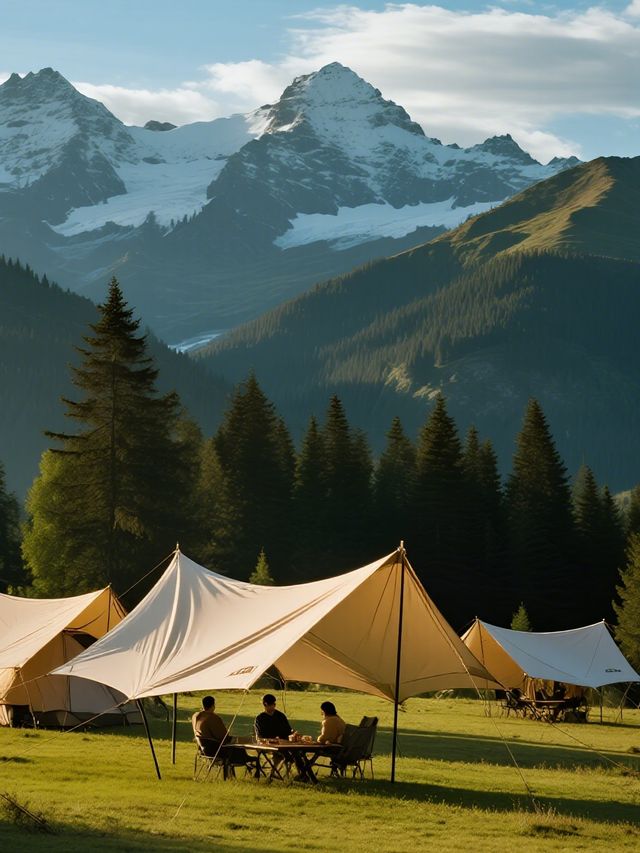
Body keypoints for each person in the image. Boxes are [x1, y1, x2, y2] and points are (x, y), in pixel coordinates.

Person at [192, 695, 251, 768]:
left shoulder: (196, 716)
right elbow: (224, 737)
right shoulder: (213, 718)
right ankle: (249, 761)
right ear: (213, 706)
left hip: (204, 750)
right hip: (216, 751)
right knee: (240, 748)